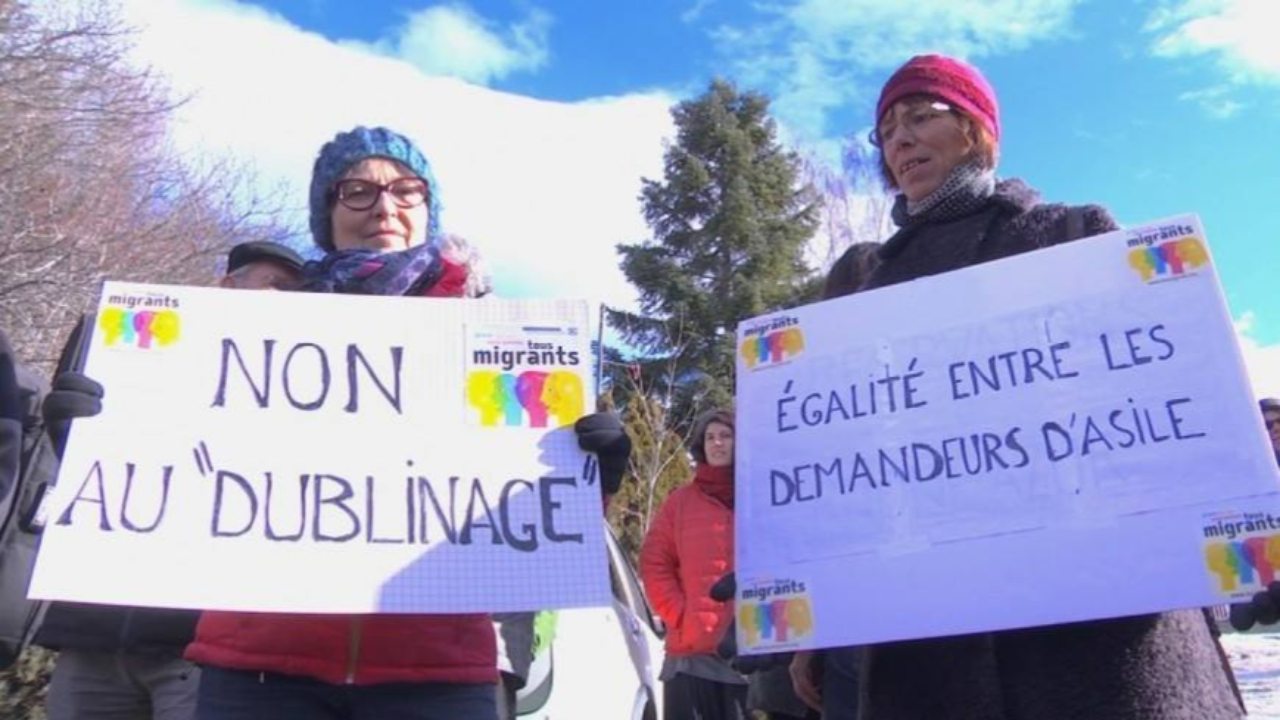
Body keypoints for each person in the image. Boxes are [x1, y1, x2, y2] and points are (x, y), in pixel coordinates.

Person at [814, 54, 1244, 720]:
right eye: (887, 130)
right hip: (930, 653)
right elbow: (848, 466)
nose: (899, 140)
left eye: (922, 116)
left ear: (978, 130)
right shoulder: (865, 292)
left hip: (1102, 639)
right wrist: (815, 591)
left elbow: (1160, 413)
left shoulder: (1070, 237)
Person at [184, 126, 630, 720]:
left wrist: (590, 473)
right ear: (328, 211)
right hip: (260, 665)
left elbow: (522, 514)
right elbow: (186, 466)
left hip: (438, 670)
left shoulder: (493, 335)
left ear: (427, 206)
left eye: (406, 189)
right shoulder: (258, 331)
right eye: (358, 191)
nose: (384, 207)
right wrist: (95, 435)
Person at [28, 242, 304, 720]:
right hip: (93, 631)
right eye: (274, 285)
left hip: (197, 644)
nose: (286, 301)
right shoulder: (122, 346)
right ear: (227, 286)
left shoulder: (291, 387)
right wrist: (67, 425)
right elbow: (62, 468)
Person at [640, 409, 747, 720]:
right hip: (691, 655)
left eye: (726, 436)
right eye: (710, 437)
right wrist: (681, 615)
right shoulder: (679, 503)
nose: (717, 444)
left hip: (752, 652)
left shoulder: (763, 495)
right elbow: (654, 562)